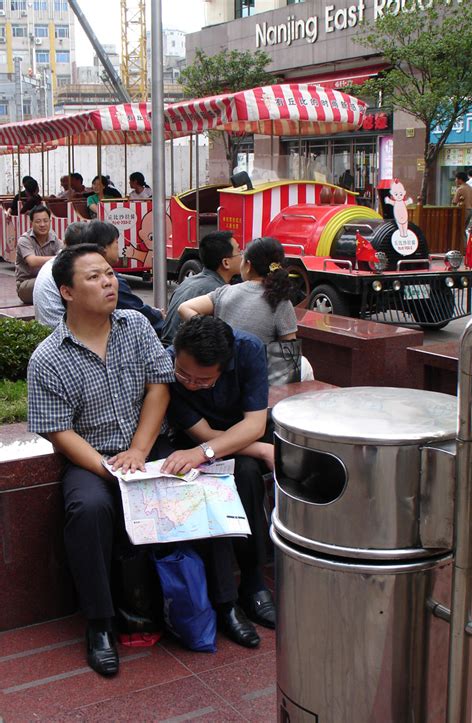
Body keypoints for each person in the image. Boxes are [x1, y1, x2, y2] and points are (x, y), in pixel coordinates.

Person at [27, 244, 174, 677]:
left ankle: (226, 602)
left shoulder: (137, 326)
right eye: (94, 277)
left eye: (109, 273)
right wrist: (108, 468)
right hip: (93, 457)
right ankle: (100, 623)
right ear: (67, 291)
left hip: (147, 447)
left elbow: (159, 387)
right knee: (89, 508)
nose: (109, 282)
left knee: (200, 485)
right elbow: (59, 430)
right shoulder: (48, 358)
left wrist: (141, 453)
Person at [162, 315, 276, 648]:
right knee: (223, 479)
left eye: (203, 380)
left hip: (237, 437)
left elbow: (255, 422)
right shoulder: (170, 364)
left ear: (223, 367)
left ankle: (254, 585)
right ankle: (225, 601)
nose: (190, 383)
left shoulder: (248, 350)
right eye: (184, 375)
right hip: (203, 441)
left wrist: (220, 449)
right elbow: (204, 434)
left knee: (247, 475)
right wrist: (261, 450)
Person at [179, 236, 297, 346]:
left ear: (248, 265)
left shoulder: (225, 292)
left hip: (222, 366)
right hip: (258, 368)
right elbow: (289, 353)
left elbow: (184, 308)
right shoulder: (281, 303)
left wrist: (212, 334)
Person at [161, 231, 242, 347]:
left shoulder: (187, 282)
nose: (242, 256)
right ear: (226, 263)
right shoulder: (217, 292)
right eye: (239, 251)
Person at [84, 220, 165, 335]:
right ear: (104, 248)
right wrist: (157, 314)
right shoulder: (112, 281)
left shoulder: (81, 274)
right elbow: (136, 310)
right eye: (116, 243)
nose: (118, 247)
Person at [33, 221, 88, 327]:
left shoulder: (58, 261)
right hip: (60, 332)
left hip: (49, 329)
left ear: (64, 242)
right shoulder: (70, 267)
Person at [15, 205, 62, 304]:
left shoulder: (54, 238)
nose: (42, 224)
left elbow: (65, 254)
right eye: (38, 221)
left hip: (47, 280)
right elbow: (32, 261)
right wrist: (58, 257)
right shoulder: (24, 240)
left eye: (45, 221)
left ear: (50, 222)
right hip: (26, 285)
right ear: (31, 223)